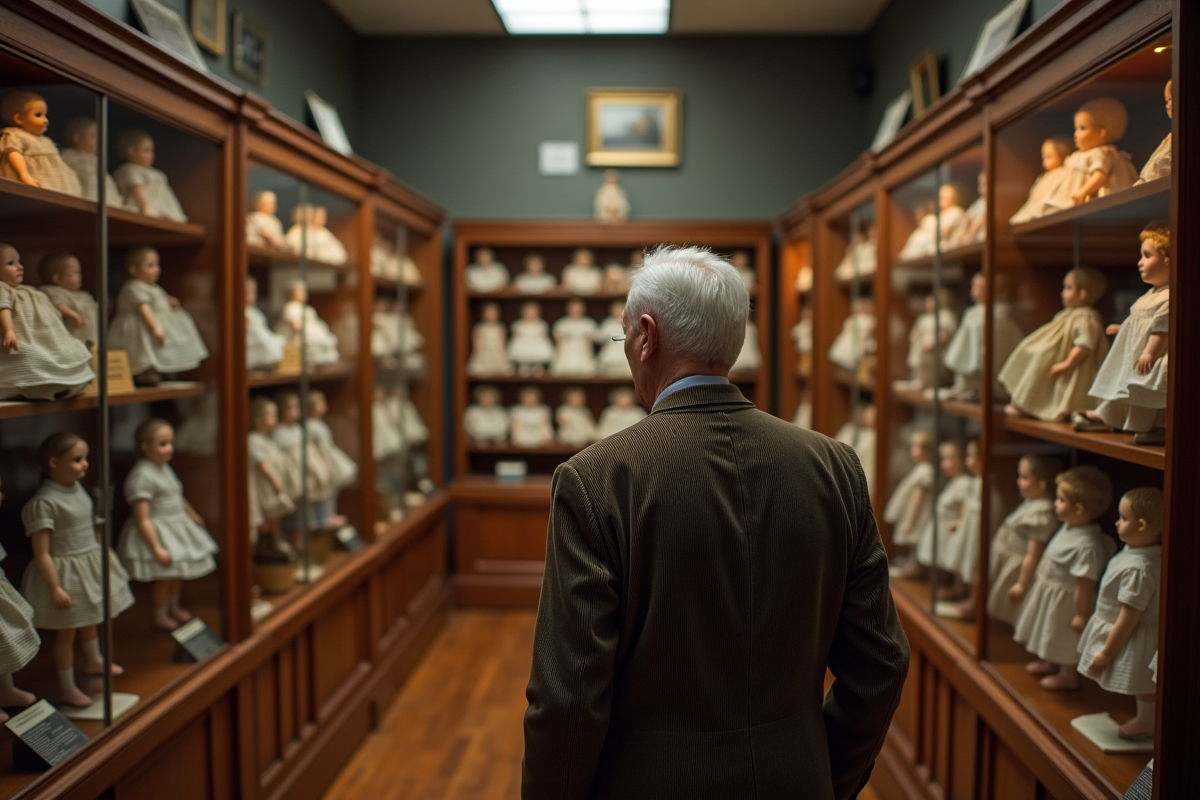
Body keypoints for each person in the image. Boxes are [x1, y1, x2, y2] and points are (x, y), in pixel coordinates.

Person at [522, 246, 909, 800]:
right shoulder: (835, 466)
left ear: (647, 336)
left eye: (623, 336)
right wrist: (824, 776)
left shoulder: (596, 478)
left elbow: (569, 696)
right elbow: (882, 665)